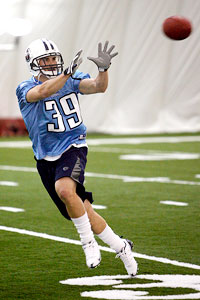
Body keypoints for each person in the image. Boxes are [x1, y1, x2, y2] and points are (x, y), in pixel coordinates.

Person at [16, 38, 138, 276]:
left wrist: (103, 70)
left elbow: (98, 87)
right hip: (45, 157)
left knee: (64, 190)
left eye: (54, 59)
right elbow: (43, 91)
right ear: (33, 63)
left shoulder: (70, 78)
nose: (51, 63)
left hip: (73, 145)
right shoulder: (24, 88)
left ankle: (88, 244)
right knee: (84, 211)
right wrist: (66, 75)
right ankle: (122, 247)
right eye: (46, 60)